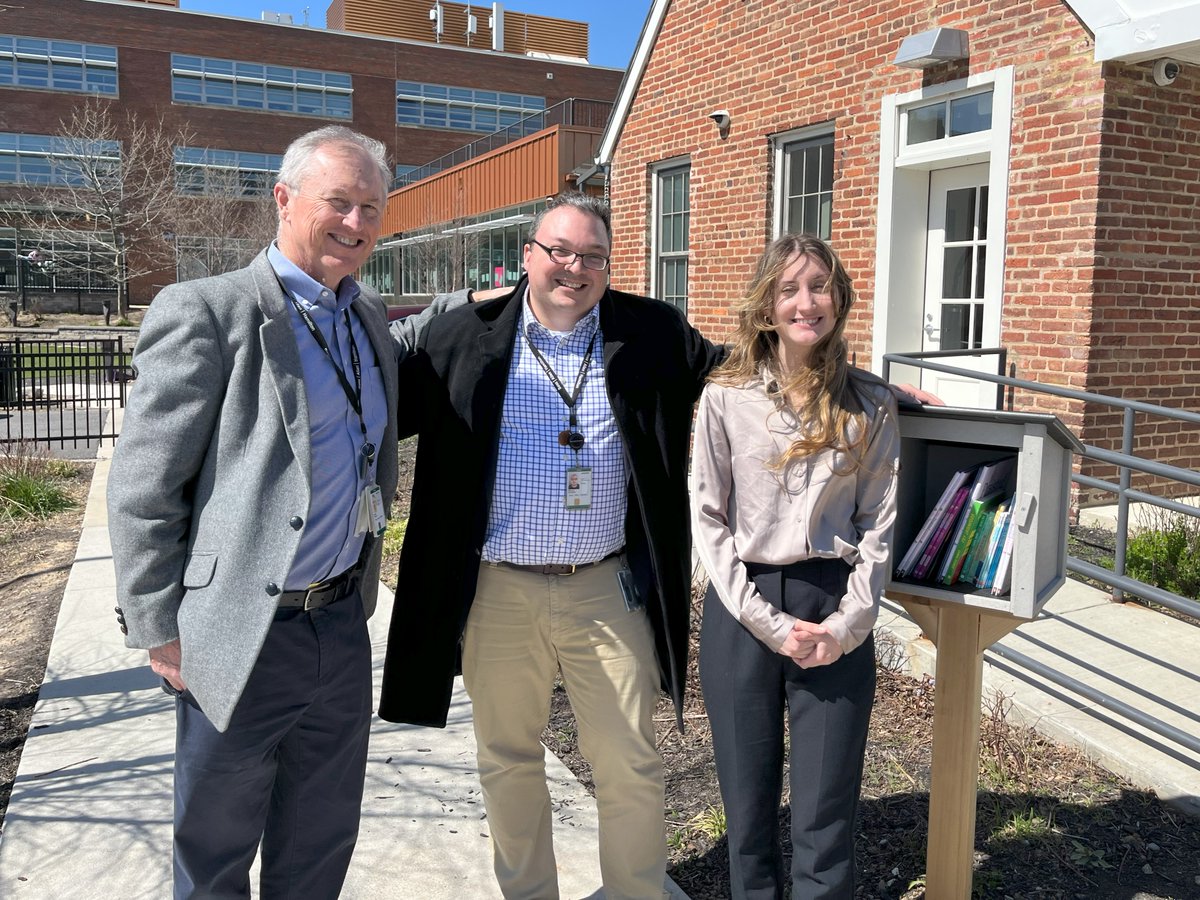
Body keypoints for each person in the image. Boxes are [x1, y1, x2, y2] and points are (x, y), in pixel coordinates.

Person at [107, 125, 462, 899]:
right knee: (216, 847)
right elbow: (142, 486)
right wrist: (158, 627)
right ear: (285, 198)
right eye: (339, 202)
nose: (358, 223)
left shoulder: (365, 317)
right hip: (239, 629)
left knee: (321, 835)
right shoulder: (209, 310)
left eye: (373, 207)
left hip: (340, 621)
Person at [378, 191, 725, 899]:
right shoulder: (464, 338)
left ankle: (635, 893)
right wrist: (455, 297)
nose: (576, 268)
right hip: (499, 589)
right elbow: (366, 378)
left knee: (630, 761)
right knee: (507, 759)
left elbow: (745, 374)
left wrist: (867, 388)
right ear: (527, 257)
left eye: (593, 256)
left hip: (606, 589)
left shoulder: (652, 332)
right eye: (560, 251)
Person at [690, 234, 901, 899]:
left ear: (839, 297)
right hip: (742, 606)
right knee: (748, 810)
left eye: (819, 286)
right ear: (766, 306)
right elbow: (709, 518)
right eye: (789, 289)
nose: (806, 302)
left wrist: (845, 627)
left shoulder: (870, 404)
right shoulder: (724, 397)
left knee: (825, 811)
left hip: (833, 605)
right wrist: (766, 623)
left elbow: (879, 525)